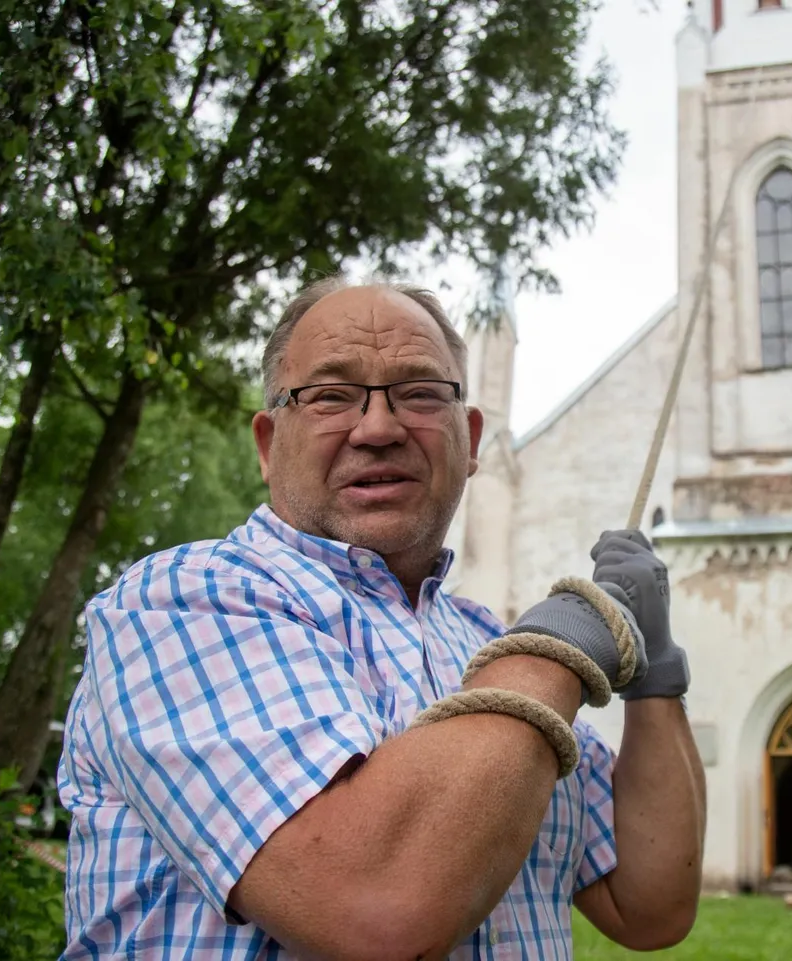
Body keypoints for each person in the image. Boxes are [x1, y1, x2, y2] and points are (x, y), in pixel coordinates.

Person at [56, 278, 706, 960]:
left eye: (420, 392)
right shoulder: (177, 605)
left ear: (473, 436)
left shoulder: (487, 642)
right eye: (330, 395)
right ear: (269, 442)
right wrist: (561, 641)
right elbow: (379, 909)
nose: (378, 427)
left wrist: (655, 677)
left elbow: (649, 902)